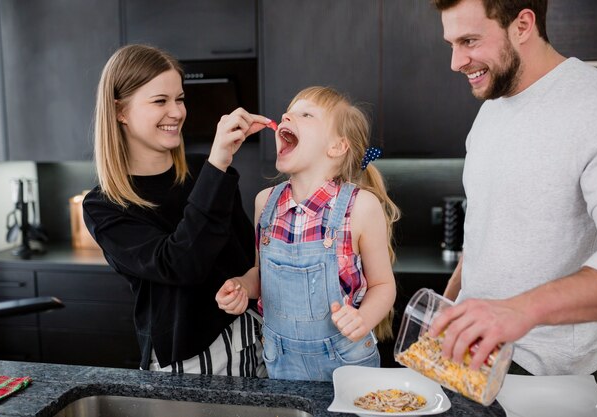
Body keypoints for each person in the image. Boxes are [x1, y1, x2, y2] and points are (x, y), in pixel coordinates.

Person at [426, 0, 597, 391]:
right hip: (468, 361)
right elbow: (489, 231)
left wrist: (518, 311)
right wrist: (448, 309)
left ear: (523, 24)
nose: (456, 61)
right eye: (452, 44)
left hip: (549, 378)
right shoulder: (492, 106)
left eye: (470, 40)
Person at [83, 44, 272, 376]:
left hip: (254, 339)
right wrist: (219, 164)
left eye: (179, 99)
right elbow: (181, 264)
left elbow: (248, 258)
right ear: (120, 111)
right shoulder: (104, 206)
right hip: (191, 360)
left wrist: (244, 285)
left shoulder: (205, 171)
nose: (176, 112)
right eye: (160, 101)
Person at [215, 86, 400, 381]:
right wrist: (241, 287)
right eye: (289, 111)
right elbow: (262, 276)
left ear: (337, 147)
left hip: (347, 364)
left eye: (306, 114)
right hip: (280, 361)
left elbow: (383, 285)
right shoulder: (265, 202)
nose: (287, 115)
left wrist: (362, 319)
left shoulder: (361, 206)